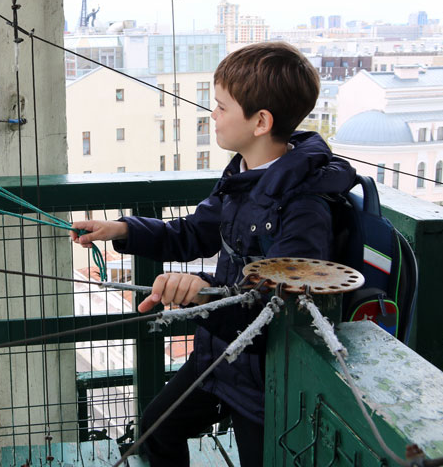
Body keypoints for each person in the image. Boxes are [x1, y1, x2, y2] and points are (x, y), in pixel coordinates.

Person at [70, 41, 357, 466]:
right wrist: (124, 229)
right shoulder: (244, 176)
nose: (213, 115)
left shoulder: (304, 206)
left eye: (222, 107)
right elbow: (192, 233)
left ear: (260, 122)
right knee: (157, 429)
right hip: (222, 356)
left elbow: (278, 307)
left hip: (265, 377)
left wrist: (201, 291)